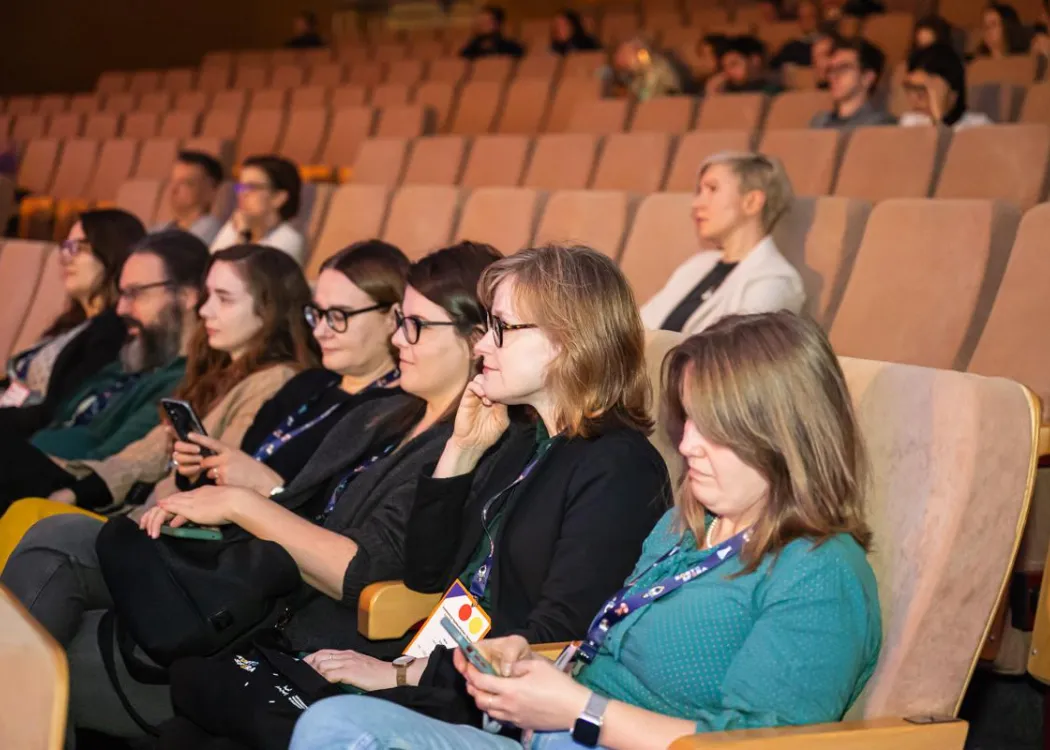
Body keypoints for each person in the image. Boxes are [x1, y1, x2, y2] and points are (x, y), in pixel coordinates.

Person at [288, 310, 883, 750]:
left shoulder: (818, 573)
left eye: (717, 430)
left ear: (786, 437)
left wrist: (582, 709)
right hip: (549, 734)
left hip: (579, 734)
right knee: (332, 725)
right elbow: (593, 647)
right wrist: (537, 664)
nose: (688, 445)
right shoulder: (684, 526)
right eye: (690, 421)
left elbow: (759, 745)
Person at [162, 244, 671, 750]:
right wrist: (461, 452)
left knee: (219, 707)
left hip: (492, 699)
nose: (481, 347)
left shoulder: (617, 467)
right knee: (195, 704)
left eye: (502, 329)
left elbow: (554, 640)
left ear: (567, 341)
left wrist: (407, 677)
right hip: (436, 664)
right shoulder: (524, 439)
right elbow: (427, 574)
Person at [0, 242, 500, 743]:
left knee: (38, 652)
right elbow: (294, 504)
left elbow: (363, 572)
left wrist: (242, 502)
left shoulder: (465, 450)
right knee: (53, 545)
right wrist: (215, 510)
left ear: (476, 339)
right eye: (398, 320)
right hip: (242, 593)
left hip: (279, 635)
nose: (398, 339)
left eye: (415, 325)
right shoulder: (383, 414)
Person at [169, 239, 409, 498]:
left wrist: (269, 489)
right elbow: (230, 477)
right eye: (317, 314)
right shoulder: (307, 384)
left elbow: (336, 521)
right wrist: (198, 469)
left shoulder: (396, 412)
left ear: (392, 317)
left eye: (339, 316)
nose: (320, 331)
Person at [0, 231, 209, 517]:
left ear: (186, 296)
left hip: (77, 485)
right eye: (122, 294)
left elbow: (112, 459)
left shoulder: (186, 380)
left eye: (135, 294)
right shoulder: (131, 356)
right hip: (30, 463)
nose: (121, 308)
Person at [1, 209, 145, 432]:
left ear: (111, 251)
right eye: (66, 246)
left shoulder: (112, 331)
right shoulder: (73, 323)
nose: (66, 257)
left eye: (79, 247)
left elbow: (59, 410)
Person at [642, 152, 804, 336]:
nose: (696, 203)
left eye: (712, 189)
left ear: (752, 202)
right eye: (699, 192)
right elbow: (639, 326)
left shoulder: (776, 281)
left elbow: (731, 354)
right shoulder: (697, 264)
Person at [210, 155, 307, 266]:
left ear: (279, 198)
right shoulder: (234, 226)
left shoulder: (289, 239)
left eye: (252, 187)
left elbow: (242, 277)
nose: (242, 194)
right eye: (241, 187)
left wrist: (243, 236)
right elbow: (209, 269)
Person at [899, 43, 993, 130]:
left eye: (922, 89)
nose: (914, 98)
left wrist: (938, 117)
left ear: (953, 93)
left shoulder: (979, 126)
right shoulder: (909, 123)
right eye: (910, 88)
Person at [811, 37, 896, 128]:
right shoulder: (819, 123)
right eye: (831, 70)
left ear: (867, 77)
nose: (833, 76)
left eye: (843, 68)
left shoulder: (881, 125)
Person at [152, 151, 225, 245]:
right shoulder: (158, 229)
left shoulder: (211, 229)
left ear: (211, 190)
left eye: (185, 183)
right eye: (172, 181)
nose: (173, 189)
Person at [605, 37, 685, 100]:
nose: (621, 59)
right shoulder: (634, 75)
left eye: (626, 54)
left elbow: (645, 96)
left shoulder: (655, 69)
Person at [706, 36, 783, 95]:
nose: (728, 72)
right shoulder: (727, 90)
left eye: (734, 64)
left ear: (754, 61)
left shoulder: (772, 91)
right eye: (725, 67)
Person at [459, 5, 525, 60]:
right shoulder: (471, 48)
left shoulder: (511, 47)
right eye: (480, 22)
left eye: (485, 22)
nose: (481, 26)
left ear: (497, 24)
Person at [771, 0, 822, 68]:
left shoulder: (829, 45)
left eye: (810, 16)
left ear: (818, 18)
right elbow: (773, 67)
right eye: (802, 17)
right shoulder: (790, 48)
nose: (807, 20)